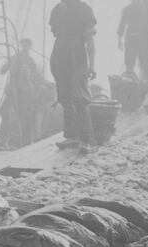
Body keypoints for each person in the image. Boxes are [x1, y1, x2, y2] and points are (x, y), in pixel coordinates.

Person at [49, 0, 97, 153]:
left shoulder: (84, 9)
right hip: (59, 54)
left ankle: (87, 140)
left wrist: (92, 65)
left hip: (77, 55)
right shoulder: (58, 8)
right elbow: (56, 33)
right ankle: (73, 136)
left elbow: (89, 39)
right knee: (64, 97)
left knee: (80, 98)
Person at [118, 0, 148, 113]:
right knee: (131, 70)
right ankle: (132, 100)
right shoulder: (130, 9)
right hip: (135, 43)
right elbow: (122, 25)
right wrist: (120, 39)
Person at [0, 38, 42, 148]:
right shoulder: (14, 57)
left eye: (28, 45)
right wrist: (10, 63)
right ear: (21, 45)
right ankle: (3, 140)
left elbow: (36, 77)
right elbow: (2, 70)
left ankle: (21, 142)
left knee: (24, 117)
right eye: (24, 44)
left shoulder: (31, 61)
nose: (25, 47)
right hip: (13, 91)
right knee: (6, 114)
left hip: (25, 93)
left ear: (30, 47)